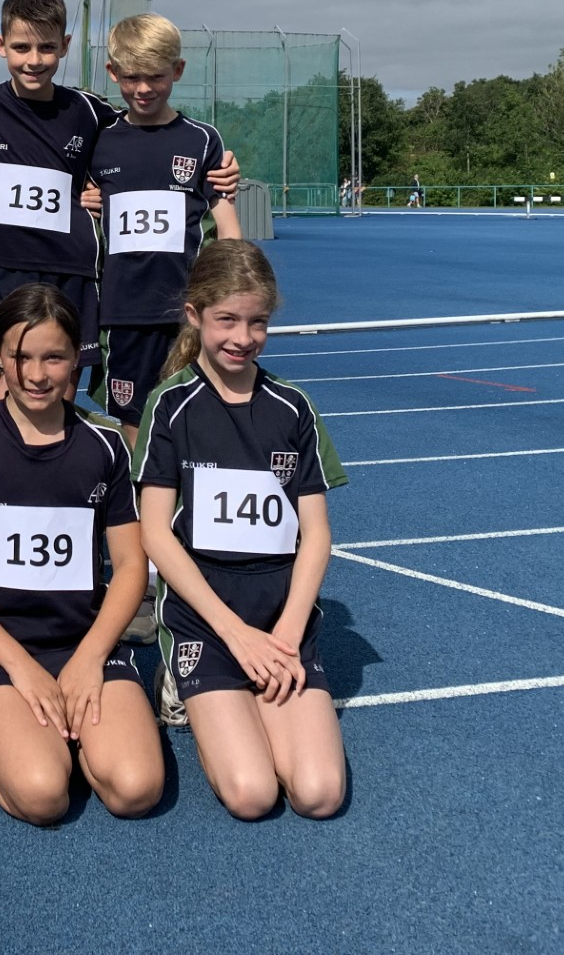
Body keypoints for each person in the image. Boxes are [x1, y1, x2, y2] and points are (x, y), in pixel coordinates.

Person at [0, 283, 163, 826]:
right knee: (43, 796)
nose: (36, 374)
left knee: (136, 790)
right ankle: (13, 733)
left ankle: (67, 739)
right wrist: (20, 668)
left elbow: (131, 565)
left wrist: (90, 657)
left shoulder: (107, 444)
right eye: (20, 357)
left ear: (77, 356)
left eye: (53, 357)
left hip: (84, 644)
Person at [133, 240, 347, 820]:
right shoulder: (169, 406)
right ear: (194, 315)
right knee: (252, 795)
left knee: (319, 795)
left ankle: (255, 691)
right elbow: (156, 534)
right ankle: (179, 680)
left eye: (258, 322)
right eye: (226, 320)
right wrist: (235, 634)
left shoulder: (293, 408)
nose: (243, 337)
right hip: (208, 624)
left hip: (280, 626)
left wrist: (286, 634)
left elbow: (317, 536)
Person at [0, 0, 239, 407]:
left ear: (64, 46)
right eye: (21, 47)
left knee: (60, 414)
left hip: (76, 276)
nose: (34, 59)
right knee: (5, 414)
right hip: (8, 274)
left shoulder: (92, 114)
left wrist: (224, 169)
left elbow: (146, 138)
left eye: (46, 47)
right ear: (1, 46)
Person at [84, 13, 242, 444]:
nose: (143, 88)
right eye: (130, 77)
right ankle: (140, 492)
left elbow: (228, 228)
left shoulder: (202, 140)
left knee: (194, 419)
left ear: (178, 70)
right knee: (135, 428)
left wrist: (232, 299)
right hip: (121, 314)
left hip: (187, 314)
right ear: (112, 71)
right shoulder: (100, 140)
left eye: (155, 76)